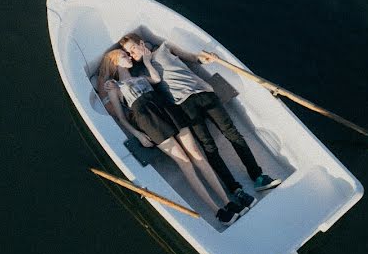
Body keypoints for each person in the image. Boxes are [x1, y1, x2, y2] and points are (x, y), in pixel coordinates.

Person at [119, 33, 282, 210]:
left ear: (141, 43)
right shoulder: (141, 73)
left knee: (232, 132)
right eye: (128, 53)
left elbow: (192, 58)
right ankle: (236, 190)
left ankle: (258, 176)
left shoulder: (165, 47)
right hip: (183, 106)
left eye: (132, 49)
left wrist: (205, 58)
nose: (131, 55)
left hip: (204, 92)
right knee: (208, 146)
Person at [97, 48, 243, 225]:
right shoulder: (113, 86)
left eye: (128, 54)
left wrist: (147, 61)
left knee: (197, 154)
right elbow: (121, 117)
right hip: (148, 121)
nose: (128, 57)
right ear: (114, 62)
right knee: (185, 162)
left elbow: (156, 79)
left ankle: (228, 202)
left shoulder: (141, 76)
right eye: (124, 56)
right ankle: (217, 211)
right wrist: (138, 134)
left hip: (167, 110)